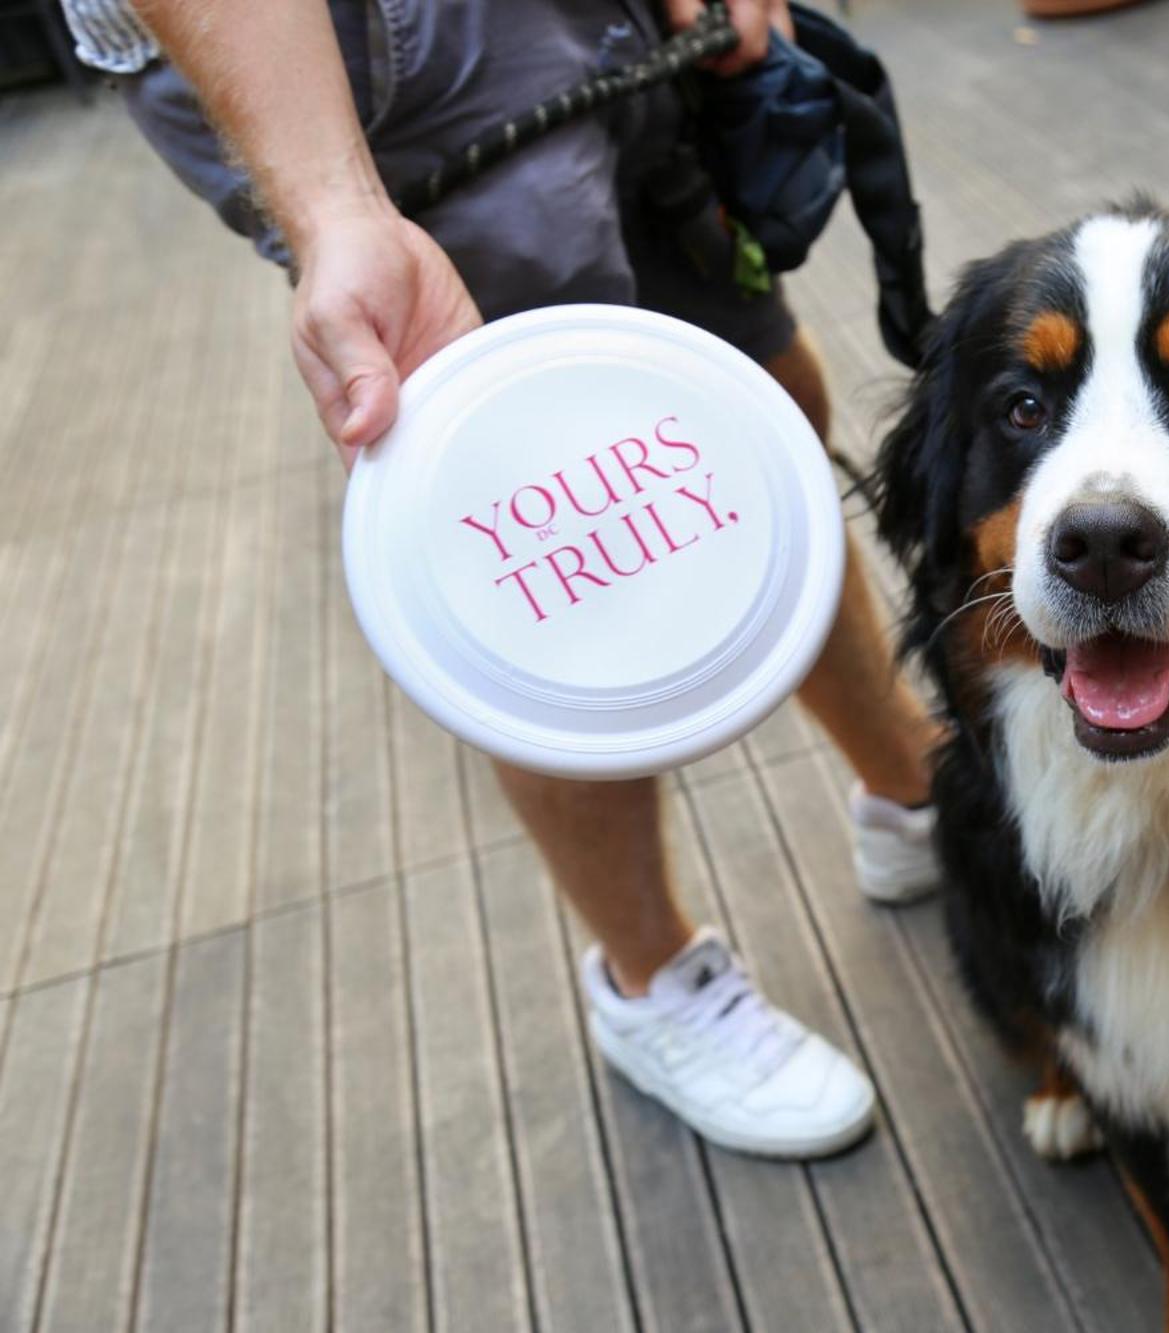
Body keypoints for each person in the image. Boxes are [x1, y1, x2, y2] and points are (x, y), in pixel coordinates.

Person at [75, 0, 942, 1160]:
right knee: (543, 557)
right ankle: (653, 982)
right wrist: (336, 206)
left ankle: (912, 794)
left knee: (750, 416)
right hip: (354, 49)